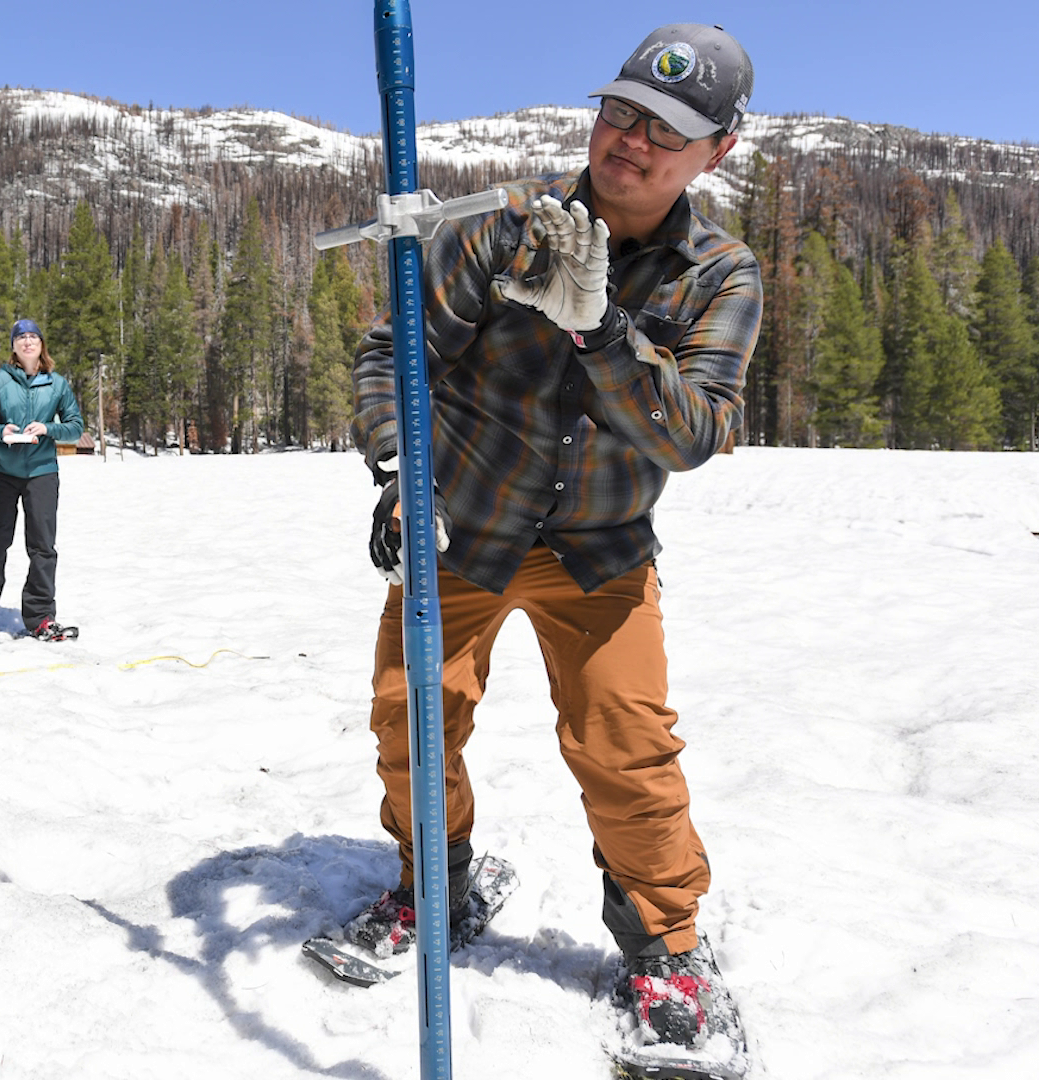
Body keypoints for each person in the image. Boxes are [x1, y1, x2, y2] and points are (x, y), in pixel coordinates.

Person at [347, 24, 759, 1055]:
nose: (630, 139)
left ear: (719, 150)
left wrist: (600, 328)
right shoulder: (502, 225)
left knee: (628, 754)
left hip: (602, 553)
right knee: (412, 723)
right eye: (621, 110)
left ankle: (663, 949)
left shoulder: (719, 272)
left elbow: (695, 431)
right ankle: (433, 886)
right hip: (467, 533)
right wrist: (401, 470)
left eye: (665, 128)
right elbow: (394, 350)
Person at [0, 318, 85, 645]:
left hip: (42, 472)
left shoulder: (57, 384)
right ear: (14, 346)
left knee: (43, 546)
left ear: (42, 345)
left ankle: (41, 617)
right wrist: (1, 431)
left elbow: (74, 426)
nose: (28, 342)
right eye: (21, 337)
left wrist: (48, 429)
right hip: (1, 472)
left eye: (33, 337)